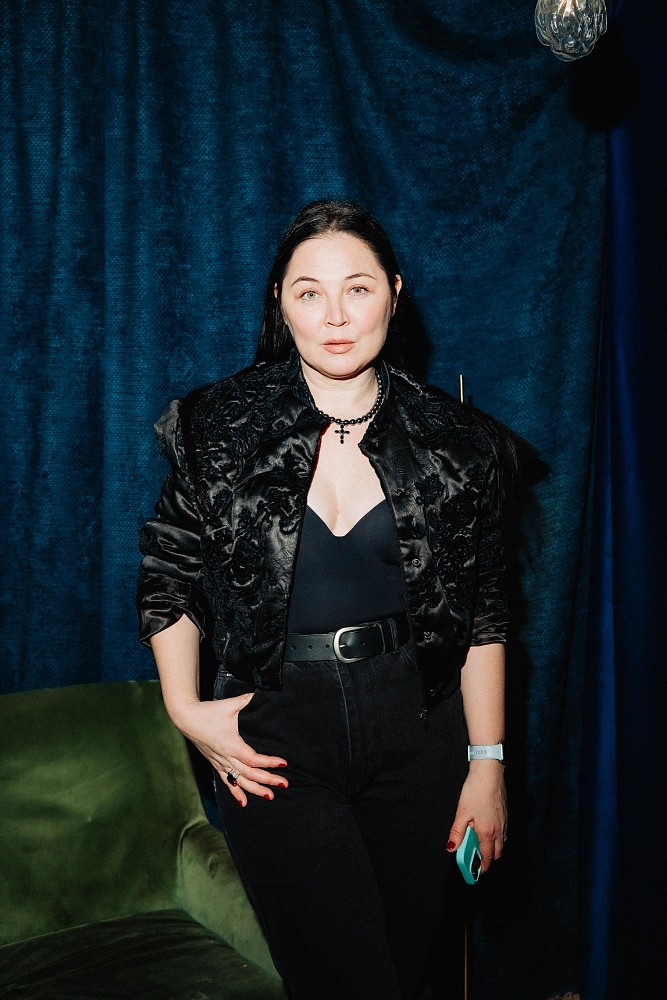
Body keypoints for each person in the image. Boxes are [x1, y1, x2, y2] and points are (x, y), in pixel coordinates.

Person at [137, 199, 512, 1000]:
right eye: (309, 292)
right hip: (275, 738)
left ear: (394, 294)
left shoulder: (459, 440)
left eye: (358, 289)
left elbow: (483, 612)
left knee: (413, 974)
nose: (335, 316)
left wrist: (486, 765)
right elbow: (169, 573)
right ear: (280, 301)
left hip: (421, 731)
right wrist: (184, 708)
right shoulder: (216, 425)